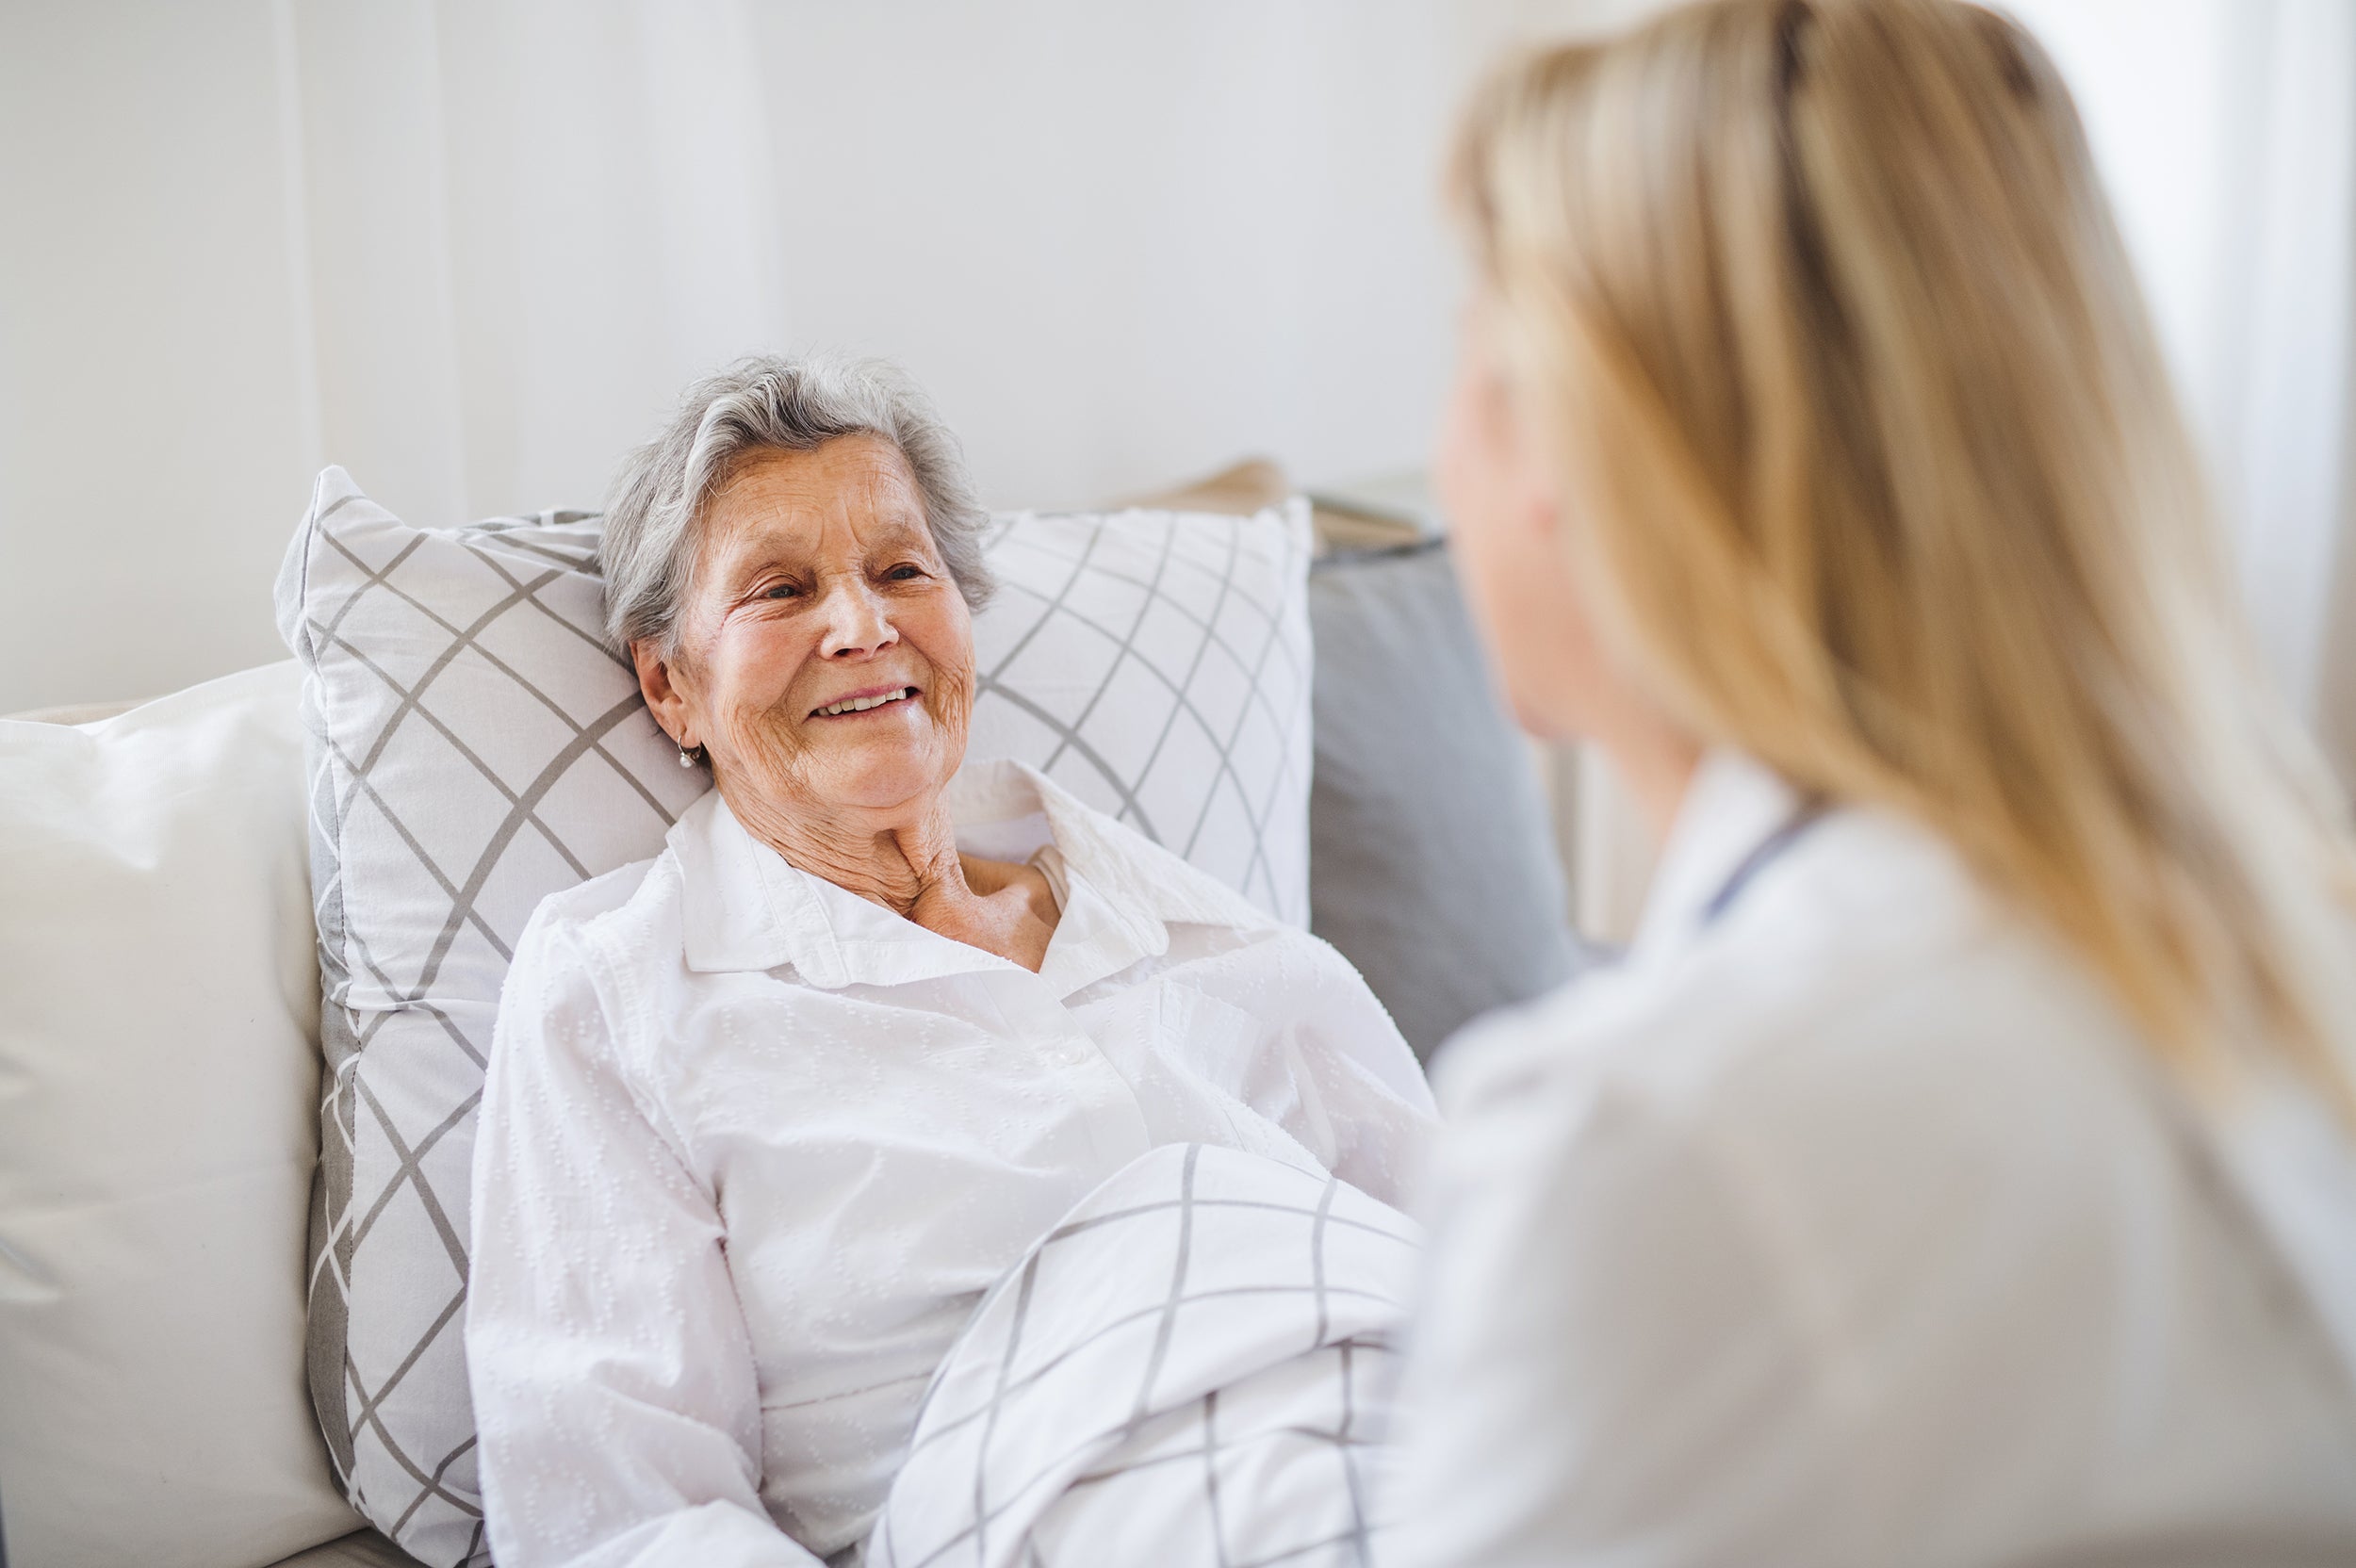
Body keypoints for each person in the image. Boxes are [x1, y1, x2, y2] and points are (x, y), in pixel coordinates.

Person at [1382, 1, 2356, 1563]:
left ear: (1576, 442)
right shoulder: (2280, 952)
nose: (1441, 459)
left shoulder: (1639, 1146)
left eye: (1472, 366)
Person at [464, 355, 1434, 1568]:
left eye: (901, 570)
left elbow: (1472, 1270)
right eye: (780, 589)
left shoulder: (1199, 931)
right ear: (671, 685)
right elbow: (624, 1513)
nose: (863, 625)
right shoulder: (617, 993)